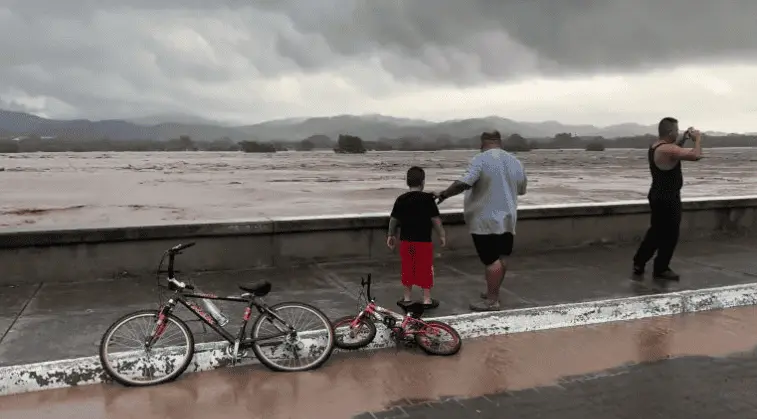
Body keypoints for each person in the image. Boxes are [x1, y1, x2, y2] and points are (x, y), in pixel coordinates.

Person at [435, 130, 527, 312]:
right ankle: (493, 291)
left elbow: (464, 182)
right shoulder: (515, 162)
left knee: (491, 261)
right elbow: (522, 190)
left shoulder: (481, 159)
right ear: (500, 142)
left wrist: (444, 194)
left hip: (485, 221)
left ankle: (492, 301)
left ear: (483, 142)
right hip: (508, 219)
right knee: (502, 258)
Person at [632, 117, 703, 284]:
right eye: (676, 131)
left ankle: (639, 262)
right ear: (670, 132)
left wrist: (684, 138)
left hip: (657, 194)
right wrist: (697, 139)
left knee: (656, 232)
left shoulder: (656, 146)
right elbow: (696, 155)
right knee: (670, 234)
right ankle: (661, 268)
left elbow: (674, 150)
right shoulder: (667, 150)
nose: (678, 132)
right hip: (668, 197)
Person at [387, 166, 446, 309]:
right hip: (424, 242)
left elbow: (393, 219)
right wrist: (442, 234)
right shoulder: (428, 199)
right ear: (423, 182)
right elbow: (435, 220)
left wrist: (391, 235)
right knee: (425, 269)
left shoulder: (401, 199)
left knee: (407, 268)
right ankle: (426, 299)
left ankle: (407, 298)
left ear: (407, 182)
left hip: (406, 241)